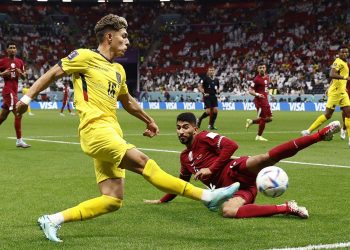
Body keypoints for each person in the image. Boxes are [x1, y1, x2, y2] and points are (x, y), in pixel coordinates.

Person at [15, 14, 239, 243]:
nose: (128, 41)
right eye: (124, 36)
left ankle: (51, 220)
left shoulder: (118, 71)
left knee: (112, 199)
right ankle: (207, 195)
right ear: (109, 37)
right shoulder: (85, 57)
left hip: (112, 131)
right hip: (95, 129)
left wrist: (148, 119)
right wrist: (26, 99)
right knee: (143, 163)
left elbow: (127, 100)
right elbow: (53, 72)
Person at [144, 112, 341, 219]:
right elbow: (180, 184)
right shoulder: (184, 158)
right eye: (178, 128)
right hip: (235, 190)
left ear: (195, 129)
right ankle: (287, 208)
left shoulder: (205, 137)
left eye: (185, 127)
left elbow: (231, 145)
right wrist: (162, 201)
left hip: (235, 168)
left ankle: (319, 135)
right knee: (228, 211)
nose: (180, 132)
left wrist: (211, 169)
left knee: (264, 158)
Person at [301, 47, 350, 147]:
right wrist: (344, 78)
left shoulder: (345, 62)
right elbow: (332, 74)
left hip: (342, 92)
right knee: (328, 115)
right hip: (336, 93)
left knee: (348, 114)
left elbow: (335, 78)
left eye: (346, 52)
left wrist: (330, 86)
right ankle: (308, 131)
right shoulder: (338, 61)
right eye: (342, 52)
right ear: (339, 53)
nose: (345, 53)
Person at [0, 42, 30, 148]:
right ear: (7, 50)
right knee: (18, 113)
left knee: (2, 117)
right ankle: (19, 140)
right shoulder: (2, 61)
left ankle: (19, 140)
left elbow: (23, 77)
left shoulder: (20, 62)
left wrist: (21, 74)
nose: (12, 49)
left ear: (16, 50)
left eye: (14, 48)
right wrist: (2, 74)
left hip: (14, 91)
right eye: (10, 48)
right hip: (8, 91)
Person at [245, 63, 273, 141]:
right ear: (258, 70)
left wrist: (271, 95)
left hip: (265, 100)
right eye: (260, 67)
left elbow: (266, 89)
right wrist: (257, 94)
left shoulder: (267, 78)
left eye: (263, 67)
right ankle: (259, 136)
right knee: (264, 118)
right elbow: (250, 90)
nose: (262, 69)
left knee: (270, 118)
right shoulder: (256, 79)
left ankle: (251, 121)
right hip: (260, 101)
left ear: (265, 69)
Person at [196, 66, 220, 130]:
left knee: (215, 110)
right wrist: (204, 93)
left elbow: (217, 88)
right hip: (207, 96)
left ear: (214, 71)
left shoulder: (216, 80)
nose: (211, 71)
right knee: (209, 111)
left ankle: (211, 125)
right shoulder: (204, 78)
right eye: (210, 70)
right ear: (208, 71)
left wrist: (218, 94)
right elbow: (200, 87)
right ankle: (199, 119)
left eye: (212, 70)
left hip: (214, 97)